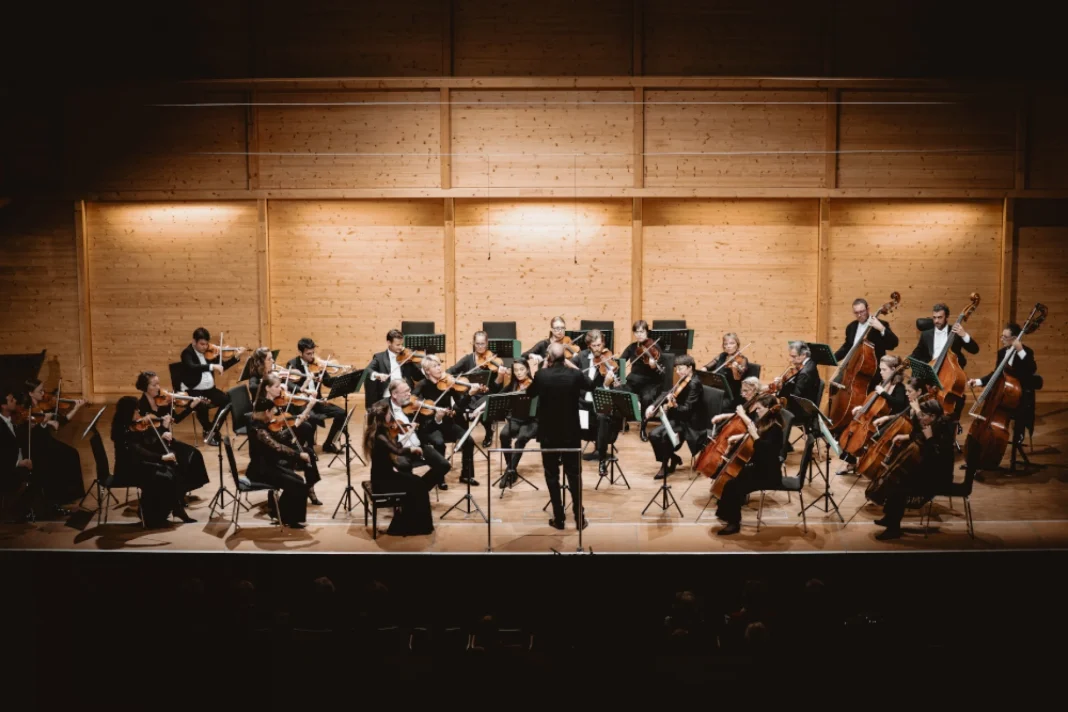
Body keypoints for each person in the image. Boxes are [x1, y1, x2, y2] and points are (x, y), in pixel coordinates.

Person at [523, 342, 593, 530]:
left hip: (549, 434)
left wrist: (540, 370)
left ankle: (559, 517)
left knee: (552, 475)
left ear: (549, 357)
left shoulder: (542, 375)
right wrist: (573, 367)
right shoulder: (575, 375)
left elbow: (529, 393)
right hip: (571, 433)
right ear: (565, 358)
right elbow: (591, 385)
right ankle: (579, 517)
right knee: (574, 474)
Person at [246, 347, 323, 504]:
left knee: (307, 446)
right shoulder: (261, 414)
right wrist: (297, 453)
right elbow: (276, 443)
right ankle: (285, 498)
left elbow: (279, 434)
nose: (281, 389)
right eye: (277, 387)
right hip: (267, 460)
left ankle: (310, 486)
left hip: (275, 443)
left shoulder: (272, 400)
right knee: (301, 451)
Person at [873, 399, 956, 540]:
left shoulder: (943, 430)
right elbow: (918, 435)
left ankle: (893, 528)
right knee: (897, 480)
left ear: (933, 416)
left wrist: (929, 439)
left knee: (899, 487)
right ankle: (890, 518)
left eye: (924, 415)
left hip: (938, 478)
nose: (921, 418)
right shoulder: (934, 425)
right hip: (930, 472)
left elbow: (937, 457)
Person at [110, 396, 196, 528]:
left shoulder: (130, 426)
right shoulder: (122, 431)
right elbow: (139, 451)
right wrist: (161, 457)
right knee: (164, 475)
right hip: (127, 469)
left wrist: (161, 432)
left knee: (170, 471)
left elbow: (145, 444)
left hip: (137, 464)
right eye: (136, 410)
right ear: (128, 412)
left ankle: (171, 510)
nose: (139, 413)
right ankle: (153, 515)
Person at [714, 394, 787, 536]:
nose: (756, 411)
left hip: (769, 474)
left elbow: (767, 453)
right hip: (760, 468)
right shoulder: (764, 423)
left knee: (734, 486)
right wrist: (742, 438)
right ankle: (725, 513)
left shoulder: (775, 429)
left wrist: (755, 436)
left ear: (768, 409)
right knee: (730, 482)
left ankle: (734, 523)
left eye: (759, 408)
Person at [247, 374, 313, 528]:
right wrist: (299, 455)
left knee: (299, 480)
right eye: (272, 411)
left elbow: (278, 439)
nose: (272, 415)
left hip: (268, 466)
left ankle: (283, 515)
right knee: (297, 484)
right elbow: (277, 447)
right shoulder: (259, 430)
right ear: (266, 412)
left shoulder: (261, 425)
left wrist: (296, 424)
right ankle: (289, 518)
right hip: (260, 470)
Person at [362, 399, 435, 536]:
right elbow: (398, 451)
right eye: (389, 413)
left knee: (418, 483)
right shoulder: (379, 436)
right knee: (419, 486)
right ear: (384, 416)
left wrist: (409, 434)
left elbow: (395, 447)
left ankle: (408, 523)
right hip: (384, 481)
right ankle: (409, 527)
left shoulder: (379, 431)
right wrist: (412, 449)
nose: (391, 415)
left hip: (385, 475)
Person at [414, 354, 486, 488]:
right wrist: (426, 407)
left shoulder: (448, 383)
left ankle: (466, 475)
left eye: (439, 365)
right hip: (430, 426)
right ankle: (439, 477)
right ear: (427, 371)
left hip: (447, 423)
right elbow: (412, 401)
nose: (439, 368)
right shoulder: (422, 385)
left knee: (468, 440)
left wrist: (470, 394)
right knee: (439, 443)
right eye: (434, 366)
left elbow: (459, 405)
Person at [135, 371, 210, 497]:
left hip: (167, 442)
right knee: (177, 460)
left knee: (194, 454)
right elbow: (144, 433)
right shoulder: (140, 407)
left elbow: (177, 419)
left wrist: (191, 406)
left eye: (158, 384)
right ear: (145, 387)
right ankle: (175, 495)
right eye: (154, 385)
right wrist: (163, 430)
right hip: (152, 445)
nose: (158, 387)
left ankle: (181, 491)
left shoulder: (163, 402)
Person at [969, 321, 1039, 453]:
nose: (1002, 339)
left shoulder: (1026, 352)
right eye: (1002, 336)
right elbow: (996, 374)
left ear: (1014, 338)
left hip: (1020, 395)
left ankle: (1017, 435)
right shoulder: (1002, 352)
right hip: (1004, 394)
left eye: (1005, 337)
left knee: (1016, 410)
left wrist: (1020, 350)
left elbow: (1031, 369)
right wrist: (978, 381)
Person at [22, 378, 86, 512]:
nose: (43, 393)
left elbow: (62, 420)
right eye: (40, 391)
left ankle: (70, 495)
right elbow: (32, 432)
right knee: (58, 460)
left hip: (47, 442)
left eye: (43, 390)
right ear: (30, 393)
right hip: (37, 448)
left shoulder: (42, 407)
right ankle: (56, 499)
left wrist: (76, 407)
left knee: (72, 453)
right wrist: (45, 422)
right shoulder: (27, 410)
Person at [180, 327, 246, 445]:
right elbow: (192, 367)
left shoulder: (208, 353)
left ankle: (212, 430)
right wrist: (211, 366)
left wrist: (236, 357)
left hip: (209, 389)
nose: (205, 347)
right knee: (201, 405)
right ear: (194, 341)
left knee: (227, 400)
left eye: (206, 344)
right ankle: (209, 430)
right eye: (202, 344)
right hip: (193, 390)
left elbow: (222, 367)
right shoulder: (187, 353)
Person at [646, 354, 707, 480]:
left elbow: (687, 410)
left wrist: (674, 405)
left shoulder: (694, 384)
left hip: (690, 423)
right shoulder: (683, 379)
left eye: (680, 368)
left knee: (664, 436)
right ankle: (673, 457)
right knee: (653, 435)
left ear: (690, 368)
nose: (678, 372)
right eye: (676, 369)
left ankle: (665, 466)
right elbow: (666, 393)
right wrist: (653, 406)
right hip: (678, 418)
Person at [383, 378, 452, 488]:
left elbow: (426, 430)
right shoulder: (382, 409)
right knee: (404, 466)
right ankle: (415, 491)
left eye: (409, 391)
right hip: (399, 450)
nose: (409, 395)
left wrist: (437, 419)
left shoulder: (414, 407)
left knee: (444, 465)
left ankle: (421, 489)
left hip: (418, 446)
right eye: (405, 392)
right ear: (394, 394)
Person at [570, 329, 620, 478]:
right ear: (589, 345)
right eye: (594, 346)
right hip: (582, 401)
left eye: (600, 345)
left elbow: (615, 389)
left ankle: (602, 459)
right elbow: (568, 369)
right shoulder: (581, 357)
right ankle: (567, 454)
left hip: (599, 401)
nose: (598, 349)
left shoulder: (608, 360)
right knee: (566, 411)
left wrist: (606, 384)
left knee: (603, 417)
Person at [447, 330, 510, 446]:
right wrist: (451, 378)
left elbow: (496, 387)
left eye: (482, 344)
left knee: (484, 406)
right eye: (477, 344)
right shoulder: (468, 359)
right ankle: (464, 437)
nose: (480, 346)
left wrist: (501, 375)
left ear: (487, 343)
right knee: (457, 408)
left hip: (486, 394)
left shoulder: (493, 361)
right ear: (473, 343)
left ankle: (489, 432)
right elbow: (451, 370)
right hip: (471, 394)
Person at [285, 338, 348, 454]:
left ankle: (328, 444)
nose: (311, 356)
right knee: (312, 417)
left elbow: (328, 382)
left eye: (313, 353)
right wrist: (303, 390)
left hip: (317, 401)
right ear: (300, 352)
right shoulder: (292, 364)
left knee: (341, 413)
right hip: (302, 402)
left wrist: (341, 377)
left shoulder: (317, 364)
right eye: (308, 354)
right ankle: (309, 448)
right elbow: (289, 384)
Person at [619, 320, 665, 441]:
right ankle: (623, 422)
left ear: (646, 332)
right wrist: (618, 373)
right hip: (633, 380)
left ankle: (643, 428)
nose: (639, 334)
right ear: (634, 333)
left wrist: (654, 366)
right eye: (637, 332)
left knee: (646, 398)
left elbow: (661, 368)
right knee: (618, 391)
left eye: (642, 332)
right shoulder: (632, 347)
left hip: (650, 382)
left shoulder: (655, 347)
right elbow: (621, 361)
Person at [497, 357, 538, 489]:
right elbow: (498, 397)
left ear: (527, 370)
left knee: (521, 439)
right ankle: (512, 470)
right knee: (503, 435)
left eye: (522, 369)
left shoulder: (534, 385)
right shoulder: (513, 385)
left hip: (532, 421)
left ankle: (508, 472)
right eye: (516, 370)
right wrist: (480, 408)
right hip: (516, 419)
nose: (519, 373)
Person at [365, 329, 425, 410]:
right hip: (387, 397)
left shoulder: (407, 358)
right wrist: (378, 375)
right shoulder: (379, 358)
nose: (401, 347)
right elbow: (368, 370)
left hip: (406, 396)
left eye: (402, 344)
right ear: (389, 343)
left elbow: (418, 377)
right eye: (397, 345)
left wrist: (419, 364)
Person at [0, 383, 35, 520]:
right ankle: (15, 511)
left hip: (18, 462)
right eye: (11, 400)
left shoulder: (12, 420)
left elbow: (17, 442)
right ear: (3, 406)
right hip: (7, 470)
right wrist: (20, 463)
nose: (15, 401)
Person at [834, 298, 900, 367]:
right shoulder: (851, 327)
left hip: (873, 369)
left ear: (868, 309)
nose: (859, 315)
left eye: (862, 311)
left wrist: (882, 328)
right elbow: (847, 347)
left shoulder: (881, 324)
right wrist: (833, 359)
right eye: (856, 312)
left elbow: (893, 344)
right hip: (854, 368)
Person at [773, 341, 820, 431]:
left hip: (801, 411)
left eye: (794, 357)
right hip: (802, 405)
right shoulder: (810, 364)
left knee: (771, 412)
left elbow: (795, 397)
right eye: (790, 356)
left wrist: (781, 388)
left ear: (803, 355)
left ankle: (779, 437)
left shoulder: (805, 373)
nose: (791, 360)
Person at [701, 332, 751, 408]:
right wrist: (704, 368)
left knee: (711, 404)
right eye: (726, 344)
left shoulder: (742, 360)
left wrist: (735, 368)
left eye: (731, 343)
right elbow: (711, 364)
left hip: (730, 395)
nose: (728, 346)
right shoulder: (723, 355)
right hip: (717, 390)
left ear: (737, 345)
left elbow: (738, 378)